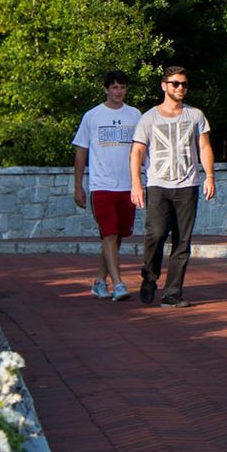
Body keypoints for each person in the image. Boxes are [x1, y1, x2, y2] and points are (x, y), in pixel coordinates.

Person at [129, 66, 216, 307]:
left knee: (182, 242)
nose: (180, 88)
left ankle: (172, 293)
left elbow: (205, 147)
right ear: (164, 85)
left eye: (184, 84)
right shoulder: (148, 118)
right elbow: (137, 151)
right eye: (175, 83)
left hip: (187, 185)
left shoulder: (196, 116)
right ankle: (149, 276)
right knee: (156, 234)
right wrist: (136, 183)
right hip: (158, 184)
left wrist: (209, 175)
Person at [71, 73, 141, 301]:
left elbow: (142, 149)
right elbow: (81, 152)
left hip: (127, 185)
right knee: (109, 233)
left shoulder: (135, 115)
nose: (118, 91)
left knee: (117, 235)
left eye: (122, 87)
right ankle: (118, 284)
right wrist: (78, 186)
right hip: (101, 185)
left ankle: (99, 282)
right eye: (114, 87)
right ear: (106, 90)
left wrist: (143, 180)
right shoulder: (92, 116)